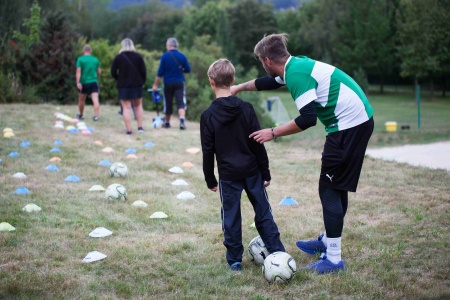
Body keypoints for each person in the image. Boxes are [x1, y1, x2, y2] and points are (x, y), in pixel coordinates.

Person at [231, 33, 374, 274]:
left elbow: (308, 119)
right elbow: (271, 82)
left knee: (329, 189)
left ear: (266, 60)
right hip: (356, 121)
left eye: (260, 62)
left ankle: (334, 259)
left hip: (348, 127)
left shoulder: (296, 74)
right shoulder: (296, 64)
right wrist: (240, 87)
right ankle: (329, 241)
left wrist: (273, 132)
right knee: (336, 186)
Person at [201, 59, 285, 272]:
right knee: (263, 211)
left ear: (211, 81)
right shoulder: (246, 109)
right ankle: (277, 251)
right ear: (233, 80)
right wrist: (265, 171)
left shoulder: (207, 116)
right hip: (252, 171)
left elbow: (207, 151)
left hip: (228, 175)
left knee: (230, 215)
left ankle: (234, 260)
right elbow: (258, 143)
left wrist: (210, 178)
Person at [152, 37, 191, 130]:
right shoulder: (182, 56)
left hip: (168, 83)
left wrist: (155, 85)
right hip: (179, 82)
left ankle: (167, 123)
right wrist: (180, 69)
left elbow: (160, 73)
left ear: (169, 45)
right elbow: (188, 70)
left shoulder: (164, 56)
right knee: (181, 102)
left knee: (168, 102)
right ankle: (182, 121)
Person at [111, 38, 147, 135]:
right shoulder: (138, 57)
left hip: (124, 86)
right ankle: (140, 127)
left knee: (126, 108)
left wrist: (119, 79)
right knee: (138, 106)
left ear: (122, 45)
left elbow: (113, 72)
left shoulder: (118, 58)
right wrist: (142, 82)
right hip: (137, 85)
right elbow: (143, 72)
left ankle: (129, 130)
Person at [76, 44, 101, 121]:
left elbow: (78, 72)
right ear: (91, 51)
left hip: (84, 82)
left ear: (83, 51)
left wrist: (78, 82)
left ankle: (81, 115)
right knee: (95, 99)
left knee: (81, 100)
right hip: (93, 82)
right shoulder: (95, 59)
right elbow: (99, 71)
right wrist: (98, 77)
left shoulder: (80, 59)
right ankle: (96, 116)